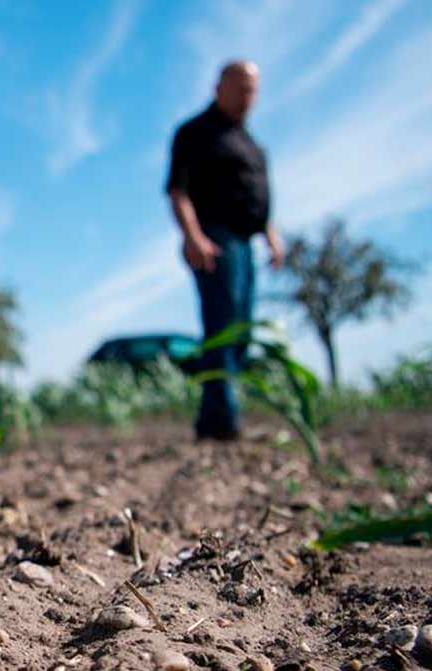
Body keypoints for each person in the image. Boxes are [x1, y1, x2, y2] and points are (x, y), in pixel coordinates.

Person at [166, 60, 285, 441]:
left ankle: (211, 422)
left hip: (246, 240)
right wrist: (193, 236)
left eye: (253, 89)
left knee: (241, 333)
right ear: (220, 87)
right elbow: (178, 190)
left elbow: (254, 198)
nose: (248, 97)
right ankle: (227, 423)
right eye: (242, 88)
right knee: (223, 327)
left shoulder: (249, 142)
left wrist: (270, 233)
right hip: (216, 239)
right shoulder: (196, 133)